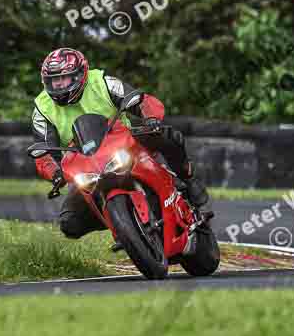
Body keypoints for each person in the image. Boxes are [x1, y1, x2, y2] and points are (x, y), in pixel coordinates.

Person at [31, 47, 209, 239]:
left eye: (63, 78)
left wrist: (151, 119)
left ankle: (188, 178)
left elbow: (140, 100)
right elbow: (43, 153)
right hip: (85, 165)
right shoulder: (42, 108)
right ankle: (122, 224)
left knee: (167, 135)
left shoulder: (102, 82)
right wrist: (55, 173)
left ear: (79, 75)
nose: (57, 85)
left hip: (124, 141)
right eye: (53, 80)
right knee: (70, 224)